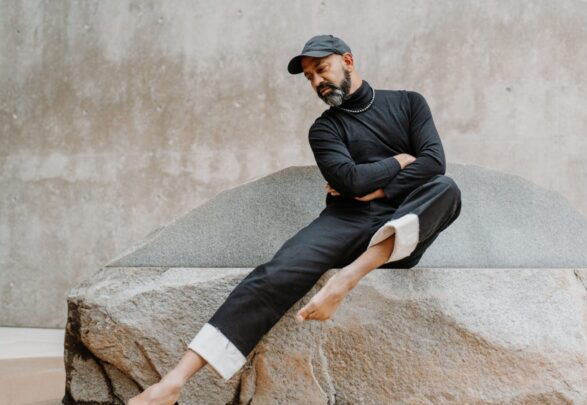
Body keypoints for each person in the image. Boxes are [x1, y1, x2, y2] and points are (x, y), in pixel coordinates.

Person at [128, 34, 462, 405]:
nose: (318, 82)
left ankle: (346, 279)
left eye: (322, 69)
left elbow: (434, 162)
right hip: (345, 220)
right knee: (272, 275)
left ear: (347, 62)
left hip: (403, 221)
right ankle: (172, 384)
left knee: (446, 189)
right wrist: (399, 161)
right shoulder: (324, 129)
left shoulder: (409, 104)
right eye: (309, 78)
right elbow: (348, 180)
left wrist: (378, 191)